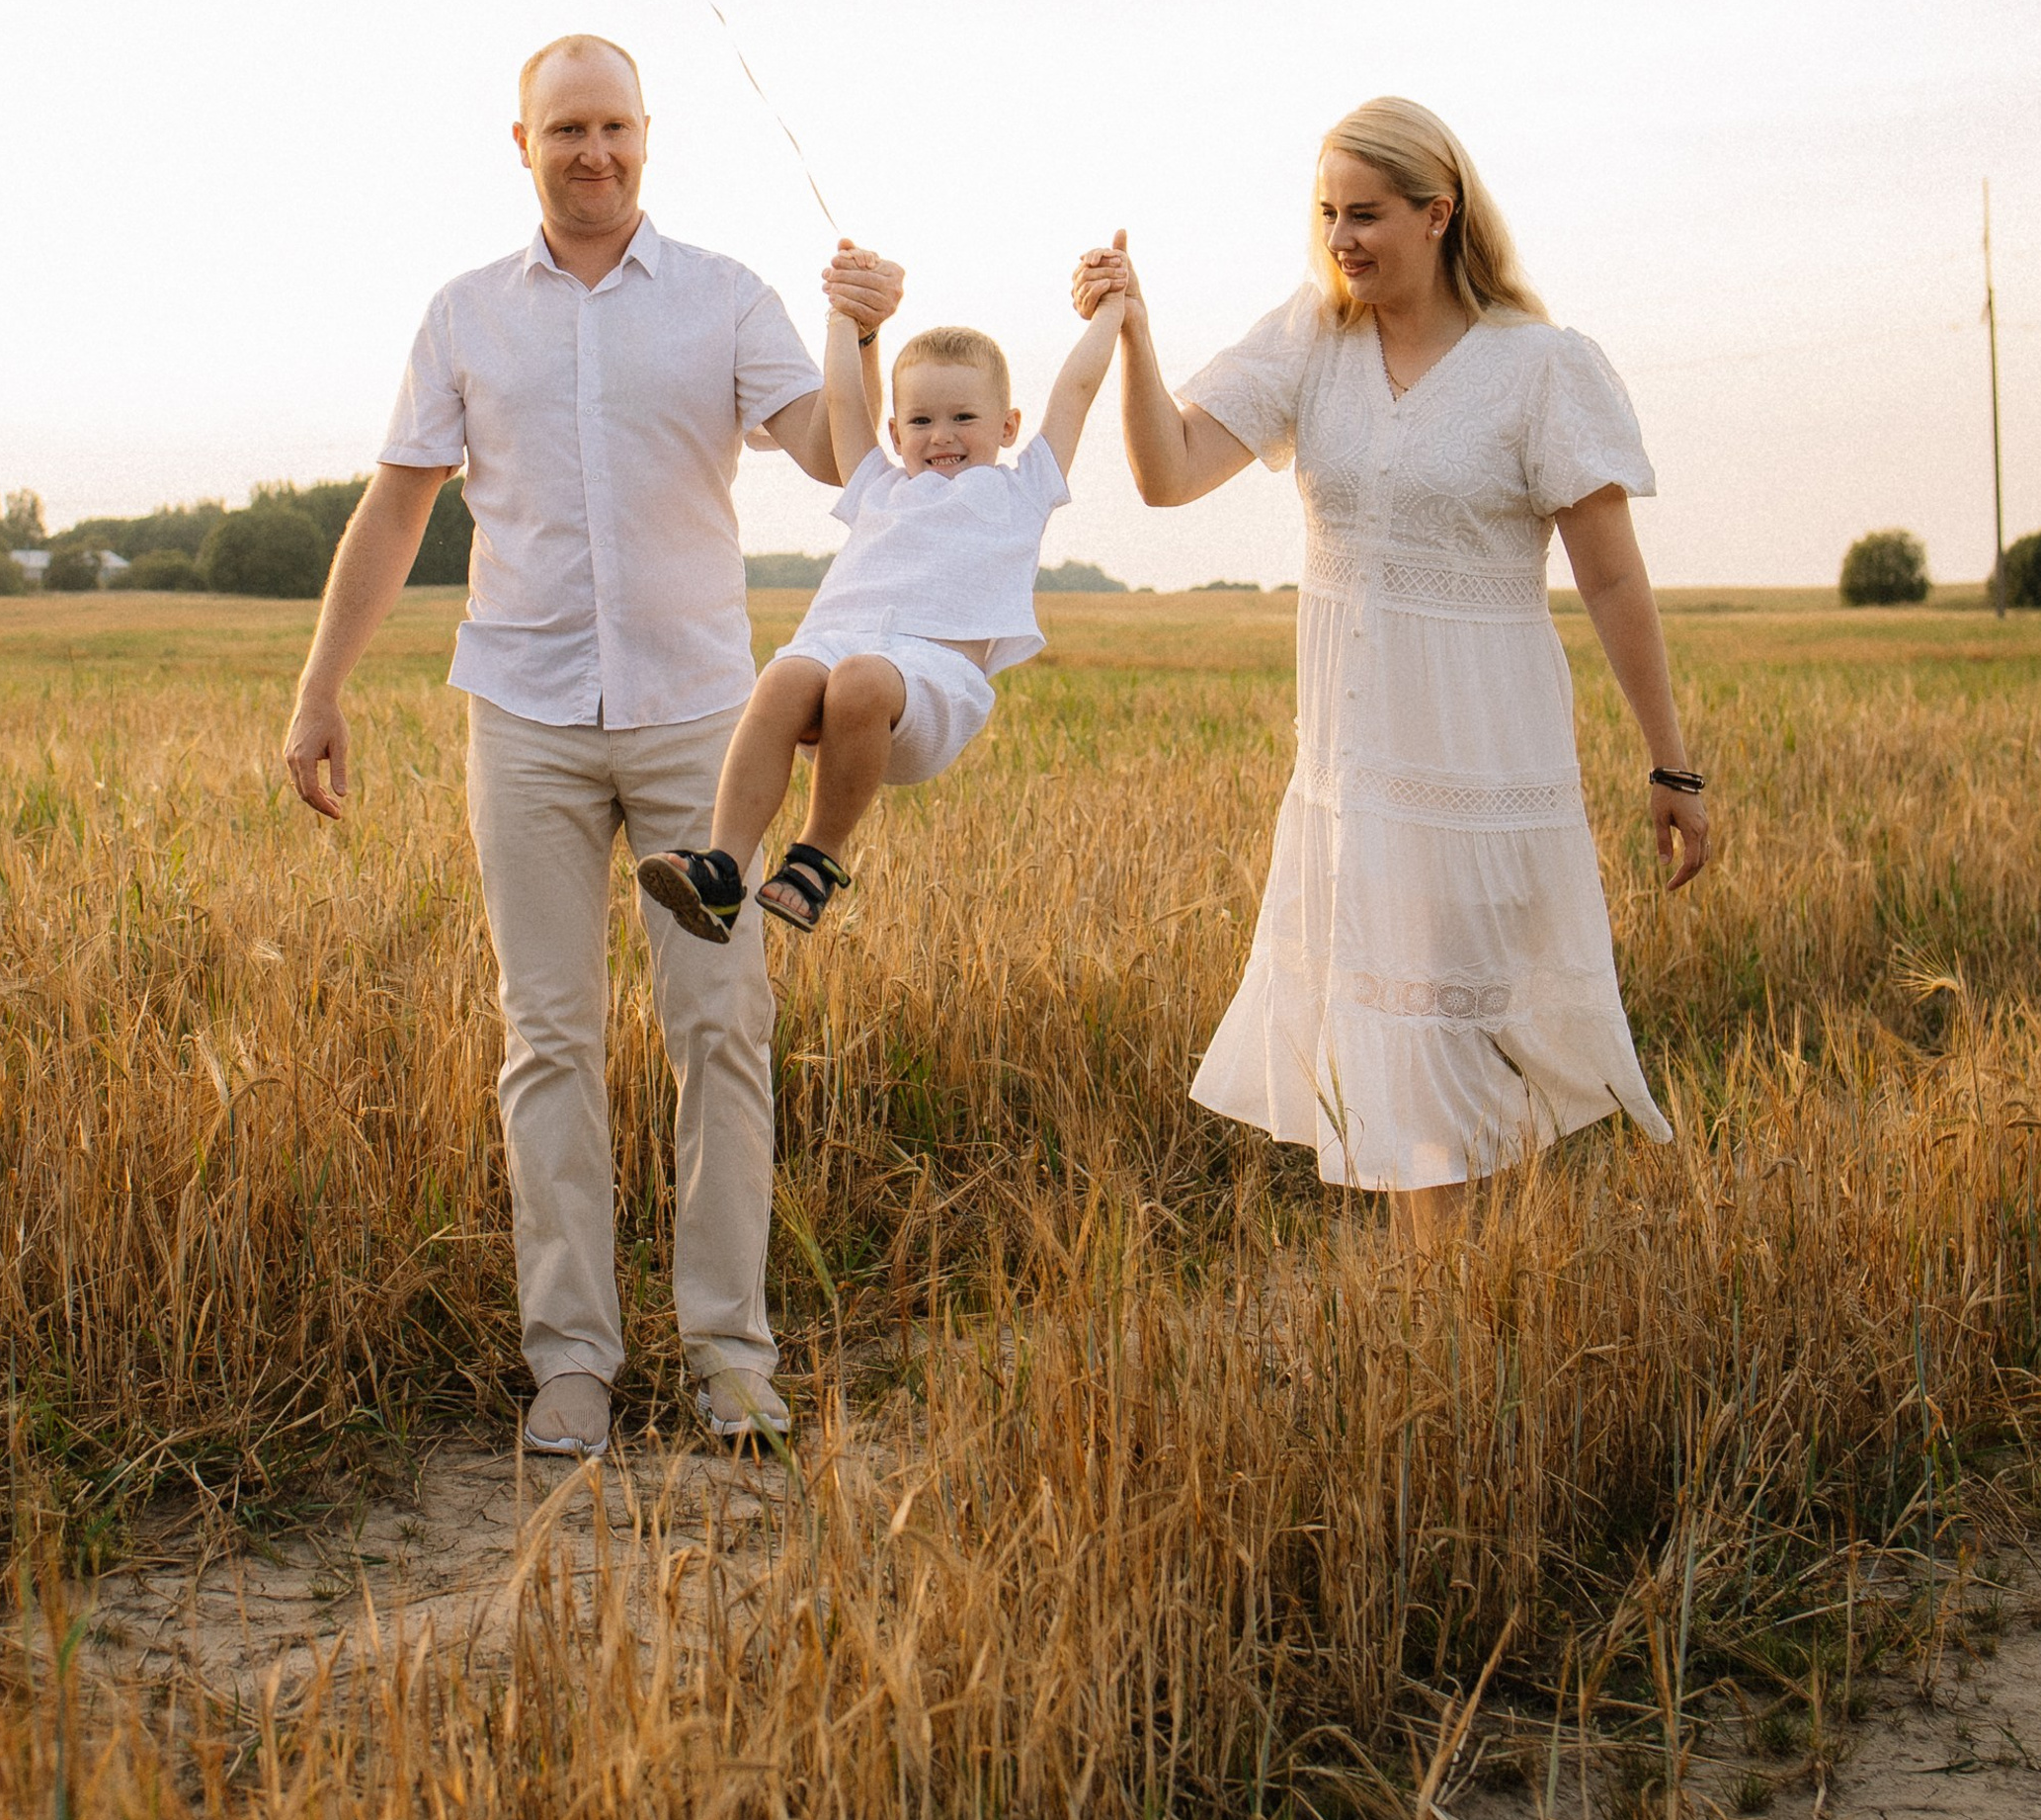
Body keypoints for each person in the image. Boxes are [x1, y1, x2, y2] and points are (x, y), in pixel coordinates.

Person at [283, 33, 903, 1456]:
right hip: (528, 720)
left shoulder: (726, 298)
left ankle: (730, 1355)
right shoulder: (462, 316)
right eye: (566, 129)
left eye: (615, 126)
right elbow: (396, 513)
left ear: (647, 134)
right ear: (522, 143)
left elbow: (831, 448)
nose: (594, 153)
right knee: (546, 1039)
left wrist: (859, 329)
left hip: (702, 725)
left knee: (721, 1033)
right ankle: (571, 1360)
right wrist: (322, 686)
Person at [1077, 99, 1710, 1242]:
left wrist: (1674, 765)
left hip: (1485, 765)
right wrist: (1133, 334)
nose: (1341, 239)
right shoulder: (1307, 344)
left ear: (1438, 211)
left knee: (1475, 1047)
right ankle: (1455, 1314)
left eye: (1364, 214)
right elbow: (1167, 474)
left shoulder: (1541, 369)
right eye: (1325, 213)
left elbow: (1613, 584)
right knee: (1402, 1053)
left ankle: (1486, 1307)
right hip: (1357, 774)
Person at [638, 258, 1128, 942]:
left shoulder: (1023, 489)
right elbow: (843, 402)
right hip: (838, 649)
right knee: (781, 676)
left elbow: (1076, 389)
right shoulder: (878, 482)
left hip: (930, 679)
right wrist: (843, 319)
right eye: (920, 419)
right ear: (895, 434)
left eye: (964, 416)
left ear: (1008, 425)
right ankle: (723, 869)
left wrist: (1113, 310)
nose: (942, 435)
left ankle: (817, 857)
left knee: (861, 679)